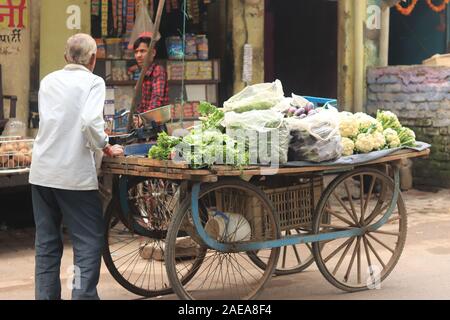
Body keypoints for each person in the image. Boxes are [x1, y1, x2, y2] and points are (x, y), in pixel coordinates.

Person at [29, 33, 123, 300]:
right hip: (73, 176)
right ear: (94, 59)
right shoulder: (93, 82)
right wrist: (106, 145)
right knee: (87, 243)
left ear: (65, 57)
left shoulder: (48, 81)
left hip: (42, 172)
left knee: (46, 244)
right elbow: (89, 122)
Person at [133, 36, 169, 115]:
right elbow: (144, 104)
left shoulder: (158, 70)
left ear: (153, 53)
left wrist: (143, 118)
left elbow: (157, 100)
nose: (138, 55)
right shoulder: (144, 73)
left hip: (157, 123)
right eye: (136, 52)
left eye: (142, 51)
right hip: (148, 122)